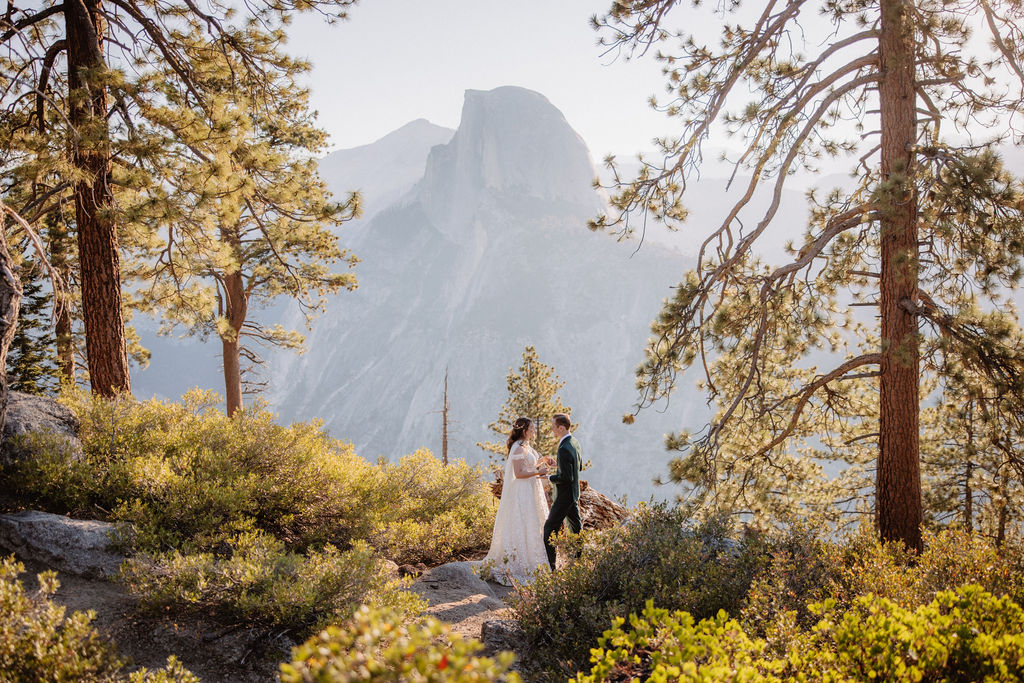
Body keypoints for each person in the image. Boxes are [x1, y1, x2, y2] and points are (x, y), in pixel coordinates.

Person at [482, 417, 552, 585]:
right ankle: (519, 563)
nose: (534, 431)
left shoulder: (525, 446)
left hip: (530, 490)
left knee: (532, 523)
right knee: (524, 523)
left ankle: (531, 558)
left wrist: (542, 461)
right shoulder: (518, 448)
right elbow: (519, 473)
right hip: (522, 492)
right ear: (524, 430)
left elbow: (529, 464)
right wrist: (538, 471)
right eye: (532, 429)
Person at [543, 412, 582, 570]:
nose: (552, 430)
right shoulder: (574, 442)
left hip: (564, 495)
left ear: (560, 427)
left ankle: (552, 568)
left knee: (549, 529)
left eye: (553, 427)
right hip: (573, 493)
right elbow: (577, 467)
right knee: (575, 528)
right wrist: (558, 465)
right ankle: (579, 560)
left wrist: (549, 477)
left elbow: (566, 477)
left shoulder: (564, 448)